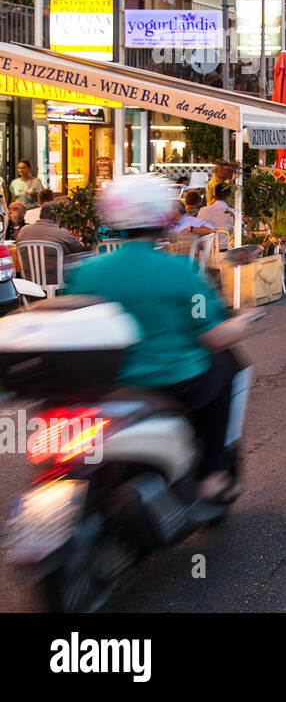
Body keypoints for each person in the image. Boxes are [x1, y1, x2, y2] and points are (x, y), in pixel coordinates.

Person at [63, 175, 236, 503]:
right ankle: (212, 473)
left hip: (106, 384)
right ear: (161, 217)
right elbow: (213, 335)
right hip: (170, 380)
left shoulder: (87, 271)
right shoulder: (179, 270)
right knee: (223, 366)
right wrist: (245, 321)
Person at [16, 202, 85, 278]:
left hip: (29, 279)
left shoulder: (24, 230)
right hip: (56, 280)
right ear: (58, 216)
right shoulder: (62, 232)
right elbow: (80, 250)